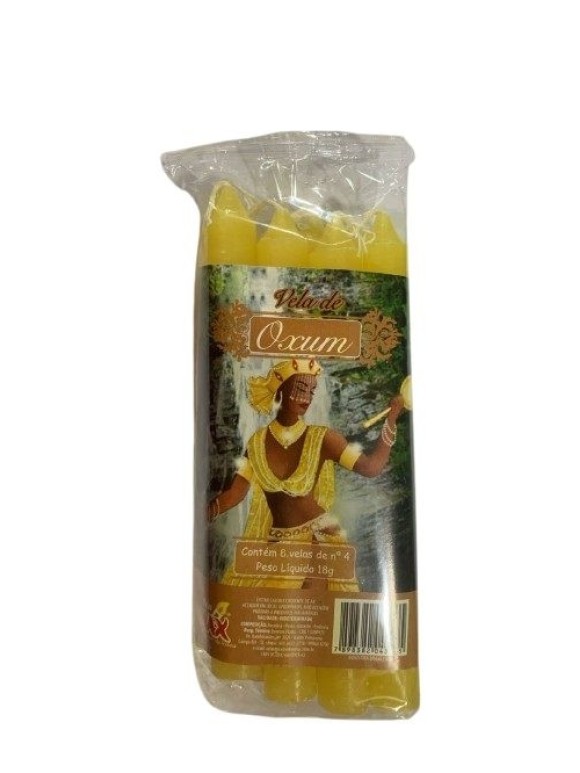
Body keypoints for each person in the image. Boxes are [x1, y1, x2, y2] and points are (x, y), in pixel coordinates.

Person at [208, 358, 405, 590]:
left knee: (314, 605)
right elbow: (236, 493)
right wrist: (204, 513)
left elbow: (371, 468)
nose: (307, 398)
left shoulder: (323, 438)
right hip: (277, 541)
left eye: (311, 391)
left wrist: (392, 418)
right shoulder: (256, 443)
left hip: (319, 538)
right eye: (300, 389)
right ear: (280, 390)